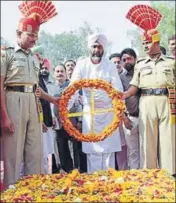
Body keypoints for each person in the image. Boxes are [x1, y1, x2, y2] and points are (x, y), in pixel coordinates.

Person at [0, 1, 58, 187]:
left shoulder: (34, 58)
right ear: (18, 34)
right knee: (13, 152)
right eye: (30, 35)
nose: (34, 39)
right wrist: (4, 117)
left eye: (36, 35)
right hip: (12, 100)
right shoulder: (6, 54)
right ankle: (12, 191)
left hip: (33, 104)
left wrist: (53, 100)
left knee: (35, 151)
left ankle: (34, 192)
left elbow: (36, 89)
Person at [125, 5, 175, 175]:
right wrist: (125, 94)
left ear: (157, 41)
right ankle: (150, 177)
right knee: (147, 141)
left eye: (148, 43)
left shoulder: (171, 62)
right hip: (146, 101)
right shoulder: (140, 64)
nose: (145, 46)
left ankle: (169, 176)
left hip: (167, 102)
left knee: (169, 140)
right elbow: (134, 86)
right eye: (143, 43)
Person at [68, 33, 124, 173]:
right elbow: (73, 88)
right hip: (89, 113)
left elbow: (117, 88)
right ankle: (94, 183)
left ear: (103, 49)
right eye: (94, 46)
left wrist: (120, 109)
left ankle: (109, 183)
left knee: (108, 150)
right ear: (90, 48)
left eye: (99, 47)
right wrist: (66, 107)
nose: (96, 49)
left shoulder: (110, 65)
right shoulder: (81, 65)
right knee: (92, 150)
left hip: (108, 112)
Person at [119, 48, 140, 169]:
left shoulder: (142, 74)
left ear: (135, 59)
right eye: (124, 59)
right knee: (132, 151)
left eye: (129, 59)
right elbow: (116, 100)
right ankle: (135, 180)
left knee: (148, 149)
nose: (127, 61)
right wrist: (124, 117)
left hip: (146, 117)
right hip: (130, 118)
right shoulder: (119, 78)